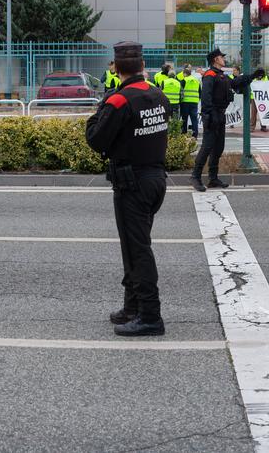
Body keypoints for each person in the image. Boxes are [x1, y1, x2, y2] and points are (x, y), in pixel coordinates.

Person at [85, 41, 173, 337]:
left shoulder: (119, 101)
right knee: (134, 246)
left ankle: (150, 316)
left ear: (116, 68)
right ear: (143, 65)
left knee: (137, 251)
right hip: (155, 179)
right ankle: (132, 306)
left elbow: (96, 139)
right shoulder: (157, 94)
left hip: (132, 183)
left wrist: (100, 109)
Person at [191, 50, 263, 191]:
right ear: (215, 60)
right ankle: (195, 176)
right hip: (212, 115)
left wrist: (252, 76)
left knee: (218, 148)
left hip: (220, 115)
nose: (224, 59)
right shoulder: (210, 75)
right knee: (207, 147)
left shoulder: (221, 75)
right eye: (221, 57)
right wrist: (210, 116)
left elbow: (235, 82)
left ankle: (213, 179)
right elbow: (206, 98)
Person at [179, 65, 202, 136]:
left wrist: (180, 101)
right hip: (194, 103)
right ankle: (195, 134)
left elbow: (180, 91)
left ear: (185, 74)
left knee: (184, 119)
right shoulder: (196, 81)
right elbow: (200, 92)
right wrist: (197, 99)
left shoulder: (184, 80)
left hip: (185, 102)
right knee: (194, 119)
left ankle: (184, 134)